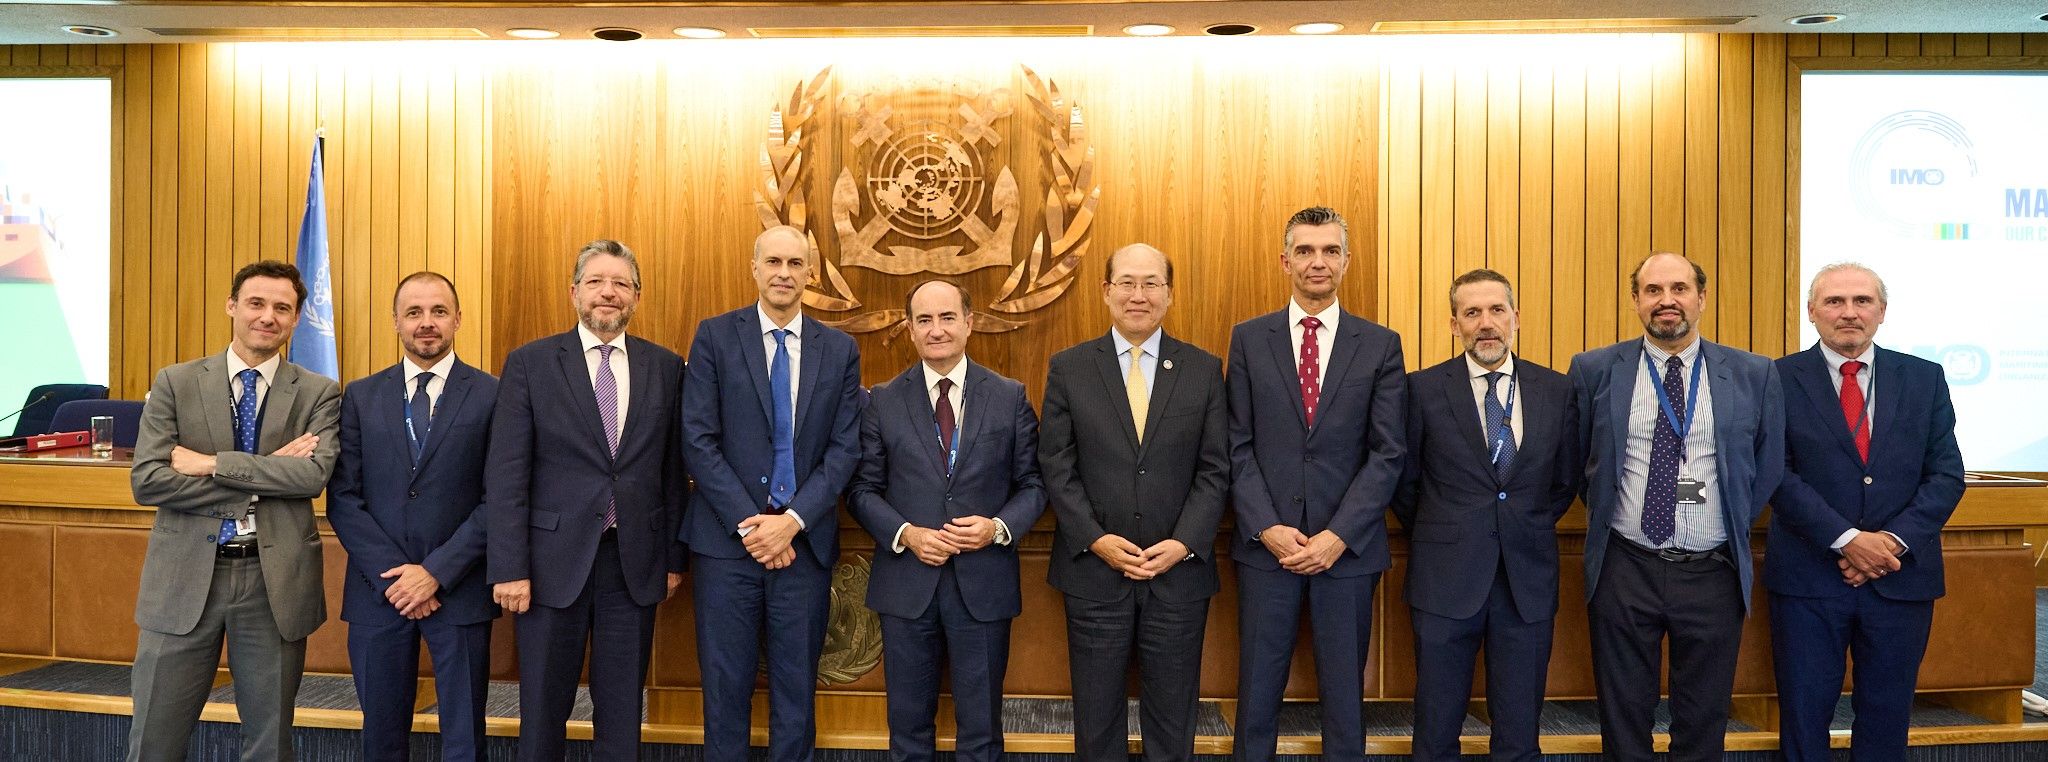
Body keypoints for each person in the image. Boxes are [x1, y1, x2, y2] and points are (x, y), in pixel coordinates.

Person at [1566, 251, 1784, 762]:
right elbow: (1580, 462)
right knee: (1623, 715)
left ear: (1701, 299)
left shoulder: (1754, 374)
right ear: (1636, 301)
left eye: (1680, 289)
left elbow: (1767, 464)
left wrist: (1725, 520)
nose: (1668, 301)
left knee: (1704, 715)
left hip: (1712, 567)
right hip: (1625, 563)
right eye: (1654, 290)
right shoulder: (1595, 369)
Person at [126, 260, 341, 762]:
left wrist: (210, 464)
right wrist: (260, 478)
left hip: (273, 584)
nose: (268, 316)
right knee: (154, 739)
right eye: (256, 303)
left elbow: (311, 478)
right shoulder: (176, 383)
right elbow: (149, 480)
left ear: (295, 319)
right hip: (182, 581)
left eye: (282, 308)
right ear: (232, 307)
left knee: (269, 743)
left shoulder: (318, 392)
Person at [485, 240, 687, 760]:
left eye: (621, 283)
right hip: (550, 567)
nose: (608, 293)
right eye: (597, 281)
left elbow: (671, 471)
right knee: (543, 713)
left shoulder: (665, 367)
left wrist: (671, 559)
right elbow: (507, 474)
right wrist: (508, 566)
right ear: (575, 291)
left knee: (622, 714)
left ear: (636, 297)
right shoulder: (530, 363)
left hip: (633, 564)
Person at [1227, 206, 1406, 761]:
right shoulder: (1249, 339)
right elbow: (1235, 446)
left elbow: (1387, 453)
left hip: (1346, 554)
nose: (1317, 262)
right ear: (1285, 261)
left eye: (1330, 251)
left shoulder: (1378, 344)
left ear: (1347, 262)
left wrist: (1337, 537)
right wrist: (1268, 529)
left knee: (1344, 701)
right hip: (1268, 552)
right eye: (1304, 251)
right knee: (1256, 695)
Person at [1040, 244, 1228, 761]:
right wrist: (1097, 540)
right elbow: (1056, 465)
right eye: (1126, 282)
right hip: (1095, 574)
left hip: (1178, 576)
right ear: (1106, 292)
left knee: (1173, 724)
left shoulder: (1203, 369)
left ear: (1169, 294)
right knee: (1096, 725)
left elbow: (1216, 469)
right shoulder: (1070, 367)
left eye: (1150, 283)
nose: (1137, 295)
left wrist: (1184, 543)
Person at [1767, 263, 1963, 761]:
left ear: (1881, 311)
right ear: (1812, 312)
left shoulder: (1924, 378)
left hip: (1901, 578)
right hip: (1809, 579)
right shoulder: (1775, 379)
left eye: (1861, 301)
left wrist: (1889, 543)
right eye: (1834, 302)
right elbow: (1775, 473)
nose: (1848, 312)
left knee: (1887, 716)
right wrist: (1847, 539)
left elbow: (1945, 476)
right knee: (1804, 716)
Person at [682, 226, 864, 761]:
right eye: (774, 262)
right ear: (754, 268)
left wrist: (792, 521)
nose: (784, 273)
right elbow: (697, 439)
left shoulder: (839, 349)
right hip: (725, 548)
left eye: (796, 263)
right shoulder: (715, 336)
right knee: (724, 692)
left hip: (802, 549)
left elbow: (844, 449)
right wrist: (752, 522)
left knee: (796, 694)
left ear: (810, 274)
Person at [848, 279, 1047, 762]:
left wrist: (996, 528)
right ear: (910, 330)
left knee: (981, 731)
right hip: (907, 586)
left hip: (982, 586)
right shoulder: (883, 400)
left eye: (947, 317)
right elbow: (861, 489)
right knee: (908, 730)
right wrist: (906, 534)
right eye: (924, 320)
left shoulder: (1009, 396)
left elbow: (1035, 485)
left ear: (969, 323)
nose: (936, 329)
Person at [1392, 269, 1580, 761]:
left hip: (1526, 581)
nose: (1486, 323)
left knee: (1519, 736)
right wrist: (1451, 531)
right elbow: (1406, 485)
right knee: (1435, 733)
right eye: (1472, 313)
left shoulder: (1557, 390)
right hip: (1444, 581)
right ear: (1454, 324)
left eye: (1497, 310)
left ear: (1516, 317)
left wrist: (1518, 523)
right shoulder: (1422, 390)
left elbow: (1563, 483)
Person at [326, 271, 498, 761]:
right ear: (395, 321)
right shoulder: (360, 395)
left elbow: (499, 498)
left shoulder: (492, 394)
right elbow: (344, 496)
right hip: (379, 594)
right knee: (381, 737)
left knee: (465, 739)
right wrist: (399, 580)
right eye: (414, 313)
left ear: (458, 320)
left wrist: (434, 574)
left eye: (439, 312)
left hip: (459, 590)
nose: (427, 323)